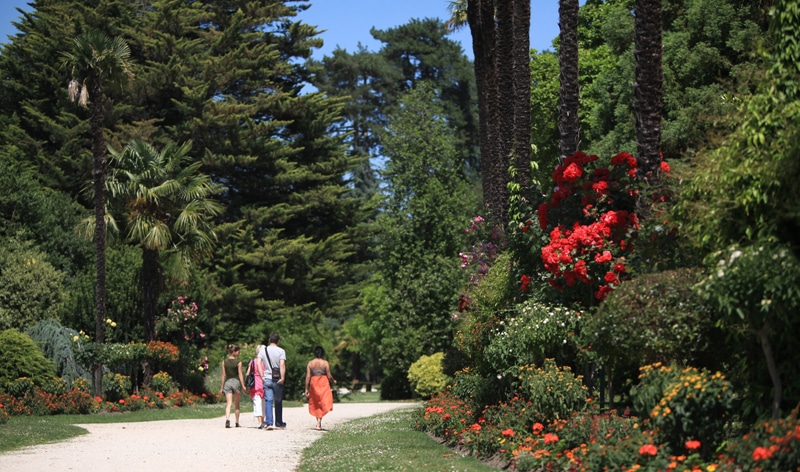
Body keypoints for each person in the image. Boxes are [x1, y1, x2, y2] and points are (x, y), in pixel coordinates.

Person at [304, 345, 337, 430]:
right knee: (323, 401)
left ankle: (318, 422)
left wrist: (306, 388)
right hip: (323, 382)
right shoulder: (325, 363)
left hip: (314, 383)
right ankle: (319, 422)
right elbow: (329, 376)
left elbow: (308, 376)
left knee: (315, 402)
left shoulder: (310, 363)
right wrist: (334, 381)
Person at [258, 332, 287, 430]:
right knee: (278, 401)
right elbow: (282, 365)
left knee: (268, 401)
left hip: (267, 378)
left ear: (269, 340)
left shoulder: (263, 351)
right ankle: (279, 423)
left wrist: (262, 375)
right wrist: (282, 377)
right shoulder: (281, 351)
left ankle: (269, 423)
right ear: (278, 340)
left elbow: (258, 363)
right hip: (277, 379)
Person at [219, 344, 247, 428]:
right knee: (237, 404)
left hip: (227, 383)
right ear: (234, 352)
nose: (239, 353)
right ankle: (237, 422)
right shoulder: (238, 362)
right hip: (236, 382)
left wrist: (222, 387)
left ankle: (227, 419)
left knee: (229, 403)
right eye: (238, 351)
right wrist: (243, 386)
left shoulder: (224, 362)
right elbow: (240, 375)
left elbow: (223, 375)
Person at [245, 345, 267, 428]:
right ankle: (263, 420)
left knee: (257, 402)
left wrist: (247, 383)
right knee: (264, 402)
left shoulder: (253, 361)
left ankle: (259, 421)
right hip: (264, 382)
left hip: (255, 384)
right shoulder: (265, 361)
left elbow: (247, 373)